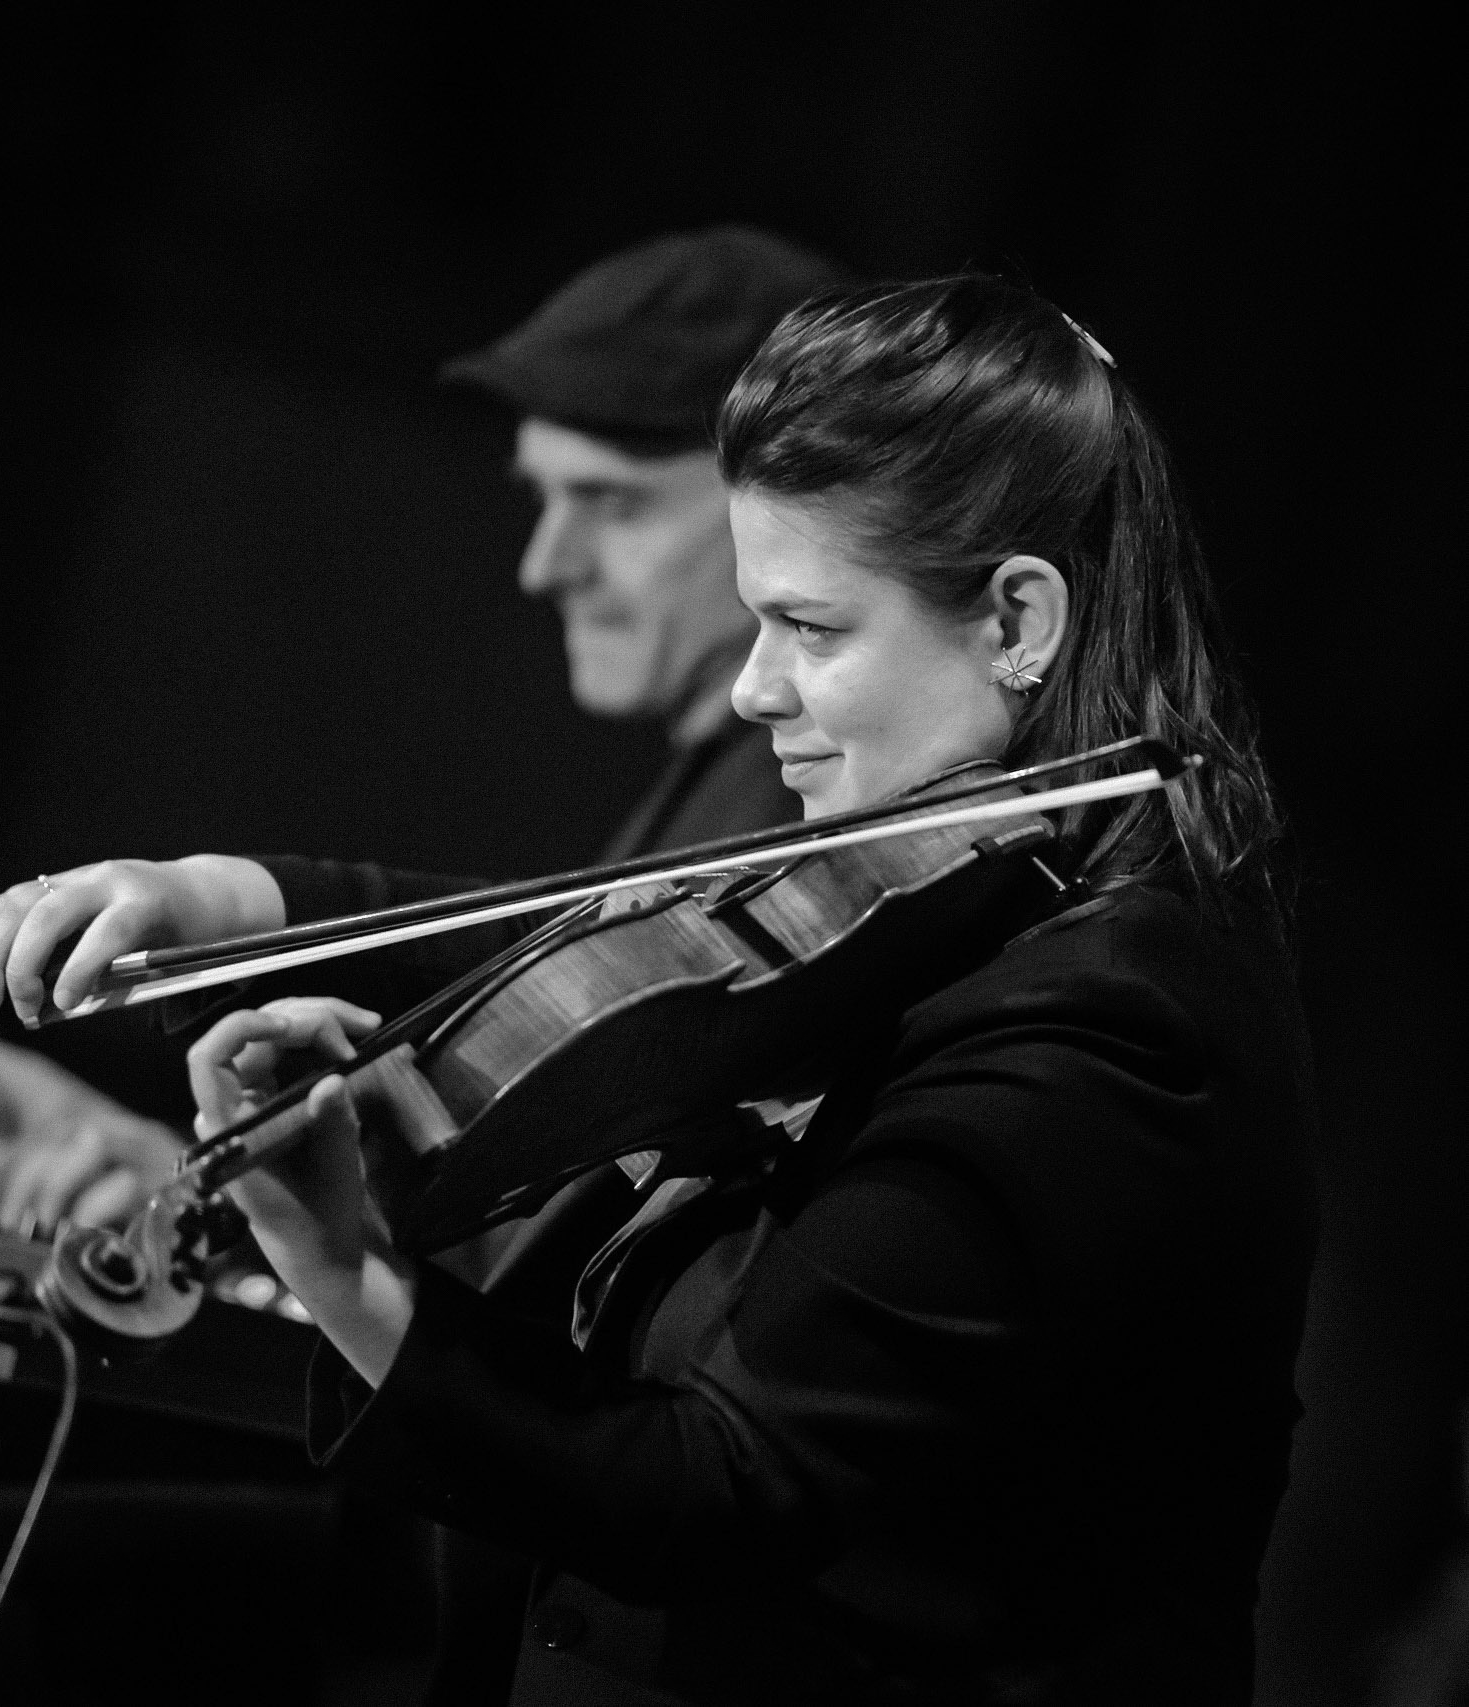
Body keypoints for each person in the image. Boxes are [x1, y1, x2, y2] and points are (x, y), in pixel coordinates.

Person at [146, 275, 1316, 1704]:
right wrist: (238, 908)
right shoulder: (934, 903)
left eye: (809, 627)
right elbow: (589, 959)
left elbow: (716, 1482)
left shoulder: (1114, 1024)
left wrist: (343, 1264)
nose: (755, 686)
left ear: (1019, 618)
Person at [0, 227, 850, 1231]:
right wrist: (184, 1188)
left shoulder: (803, 818)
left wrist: (222, 899)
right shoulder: (721, 790)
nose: (546, 565)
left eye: (611, 502)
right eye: (542, 497)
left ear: (783, 508)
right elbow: (511, 1266)